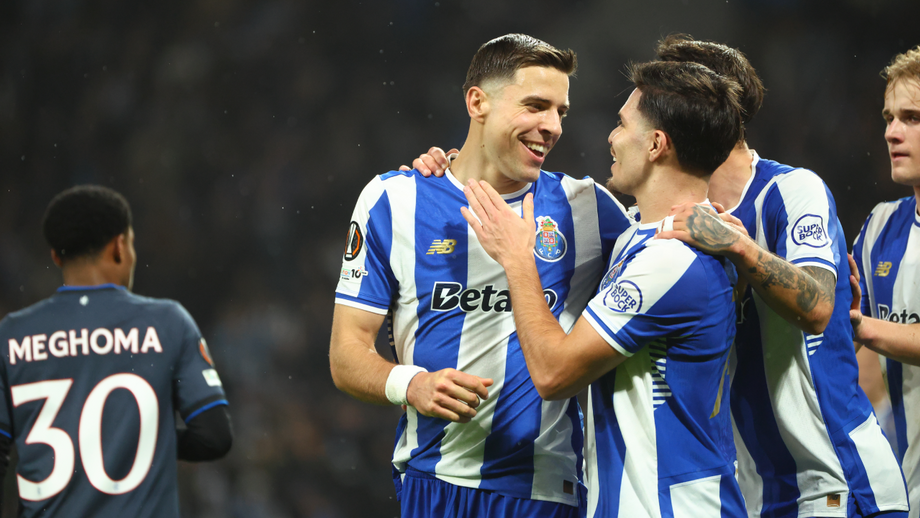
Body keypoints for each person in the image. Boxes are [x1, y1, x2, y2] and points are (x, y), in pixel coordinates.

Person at [329, 34, 633, 517]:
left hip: (546, 493)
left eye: (561, 111)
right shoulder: (394, 200)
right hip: (433, 485)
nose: (552, 126)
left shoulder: (588, 208)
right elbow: (346, 354)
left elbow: (664, 280)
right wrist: (410, 384)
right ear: (477, 103)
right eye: (535, 106)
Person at [461, 59, 746, 517]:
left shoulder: (671, 260)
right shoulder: (646, 236)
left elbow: (554, 374)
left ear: (655, 145)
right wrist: (453, 165)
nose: (611, 138)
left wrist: (517, 259)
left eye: (622, 124)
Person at [652, 36, 909, 518]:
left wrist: (739, 246)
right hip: (755, 494)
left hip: (836, 484)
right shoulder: (676, 219)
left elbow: (818, 306)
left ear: (695, 113)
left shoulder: (791, 190)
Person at [0, 185, 232, 517]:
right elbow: (214, 437)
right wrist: (138, 438)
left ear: (56, 256)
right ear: (119, 246)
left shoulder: (11, 334)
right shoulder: (167, 323)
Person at [851, 45, 920, 518]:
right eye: (889, 117)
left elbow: (857, 325)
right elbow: (838, 334)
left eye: (912, 118)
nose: (892, 132)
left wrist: (864, 327)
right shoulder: (880, 227)